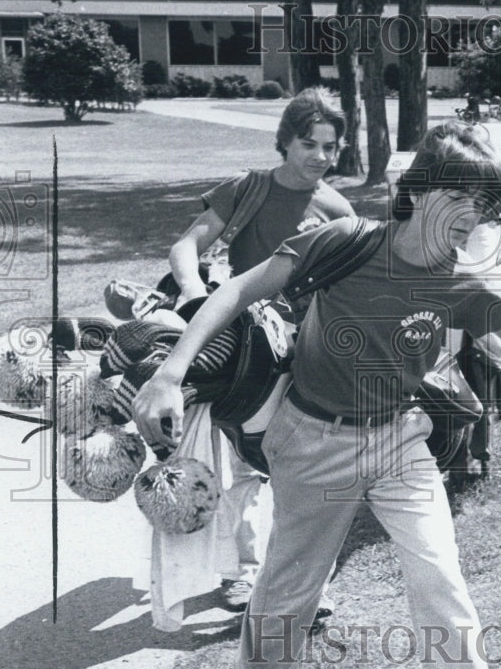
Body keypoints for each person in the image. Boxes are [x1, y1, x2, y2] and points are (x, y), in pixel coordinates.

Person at [133, 122, 501, 669]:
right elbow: (236, 291)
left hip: (398, 442)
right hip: (310, 437)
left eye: (486, 207)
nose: (480, 219)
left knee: (442, 586)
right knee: (293, 582)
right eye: (469, 202)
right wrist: (171, 372)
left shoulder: (459, 278)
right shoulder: (347, 241)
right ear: (427, 194)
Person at [148, 87, 355, 623]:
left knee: (304, 470)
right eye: (308, 143)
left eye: (330, 147)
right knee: (245, 463)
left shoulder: (336, 209)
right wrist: (196, 295)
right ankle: (244, 574)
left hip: (309, 355)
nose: (319, 157)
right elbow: (185, 246)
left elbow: (350, 288)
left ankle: (310, 585)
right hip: (246, 349)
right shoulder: (248, 188)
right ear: (284, 142)